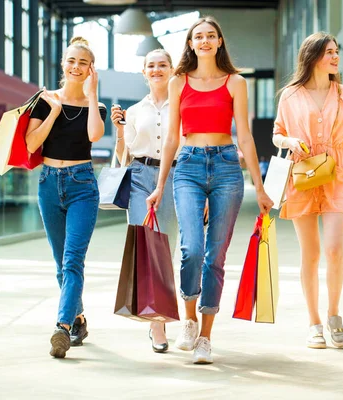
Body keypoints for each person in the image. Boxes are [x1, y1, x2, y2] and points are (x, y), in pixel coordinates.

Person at [146, 16, 273, 364]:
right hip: (187, 165)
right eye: (198, 36)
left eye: (210, 36)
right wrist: (159, 186)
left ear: (219, 42)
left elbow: (244, 135)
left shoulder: (236, 83)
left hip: (227, 168)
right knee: (191, 248)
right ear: (190, 43)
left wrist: (259, 189)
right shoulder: (178, 82)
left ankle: (205, 336)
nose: (204, 41)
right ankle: (188, 319)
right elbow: (172, 137)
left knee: (215, 255)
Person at [272, 32, 343, 350]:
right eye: (329, 52)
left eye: (337, 51)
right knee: (310, 253)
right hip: (304, 173)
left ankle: (334, 314)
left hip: (337, 174)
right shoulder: (290, 95)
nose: (335, 57)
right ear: (312, 58)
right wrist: (289, 141)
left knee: (335, 249)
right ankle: (313, 322)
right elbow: (277, 135)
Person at [26, 36, 106, 358]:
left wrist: (92, 94)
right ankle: (79, 319)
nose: (76, 67)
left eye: (83, 63)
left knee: (73, 260)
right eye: (71, 61)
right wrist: (54, 111)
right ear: (63, 64)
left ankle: (62, 327)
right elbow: (32, 144)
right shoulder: (45, 101)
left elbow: (94, 135)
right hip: (48, 184)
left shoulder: (94, 106)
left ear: (90, 69)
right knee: (61, 265)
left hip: (82, 186)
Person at [111, 49, 180, 354]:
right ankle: (157, 322)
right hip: (140, 177)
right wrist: (119, 132)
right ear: (144, 72)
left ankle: (160, 311)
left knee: (167, 247)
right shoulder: (136, 110)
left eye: (162, 65)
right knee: (145, 245)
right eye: (150, 66)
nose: (156, 70)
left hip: (176, 178)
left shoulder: (182, 105)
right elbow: (123, 157)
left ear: (171, 69)